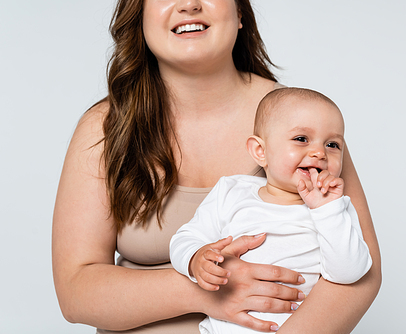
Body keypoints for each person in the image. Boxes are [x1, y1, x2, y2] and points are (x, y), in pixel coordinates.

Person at [52, 0, 381, 333]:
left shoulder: (303, 123)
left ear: (240, 13)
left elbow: (359, 274)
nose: (189, 4)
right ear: (139, 15)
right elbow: (76, 292)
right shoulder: (104, 127)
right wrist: (204, 290)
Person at [170, 87, 373, 333]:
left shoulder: (334, 208)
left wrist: (326, 209)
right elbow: (185, 238)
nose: (320, 153)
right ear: (260, 151)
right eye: (301, 139)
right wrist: (195, 259)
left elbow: (349, 273)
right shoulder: (231, 191)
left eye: (332, 144)